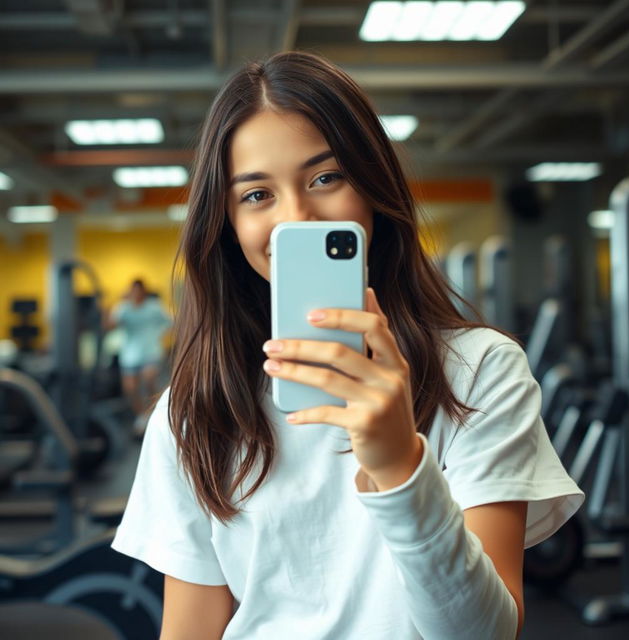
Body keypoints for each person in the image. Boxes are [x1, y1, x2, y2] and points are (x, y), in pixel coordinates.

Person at [112, 52, 584, 639]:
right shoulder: (193, 409)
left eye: (325, 178)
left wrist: (398, 466)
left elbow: (484, 634)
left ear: (371, 187)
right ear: (227, 225)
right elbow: (189, 630)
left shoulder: (481, 371)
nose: (297, 218)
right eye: (257, 195)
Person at [107, 279, 172, 435]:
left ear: (144, 292)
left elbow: (170, 322)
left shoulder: (154, 307)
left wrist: (157, 334)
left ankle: (155, 413)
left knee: (149, 380)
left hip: (150, 352)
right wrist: (117, 307)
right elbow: (110, 325)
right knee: (130, 388)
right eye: (133, 291)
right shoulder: (123, 308)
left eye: (139, 291)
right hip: (130, 355)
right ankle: (142, 416)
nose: (136, 294)